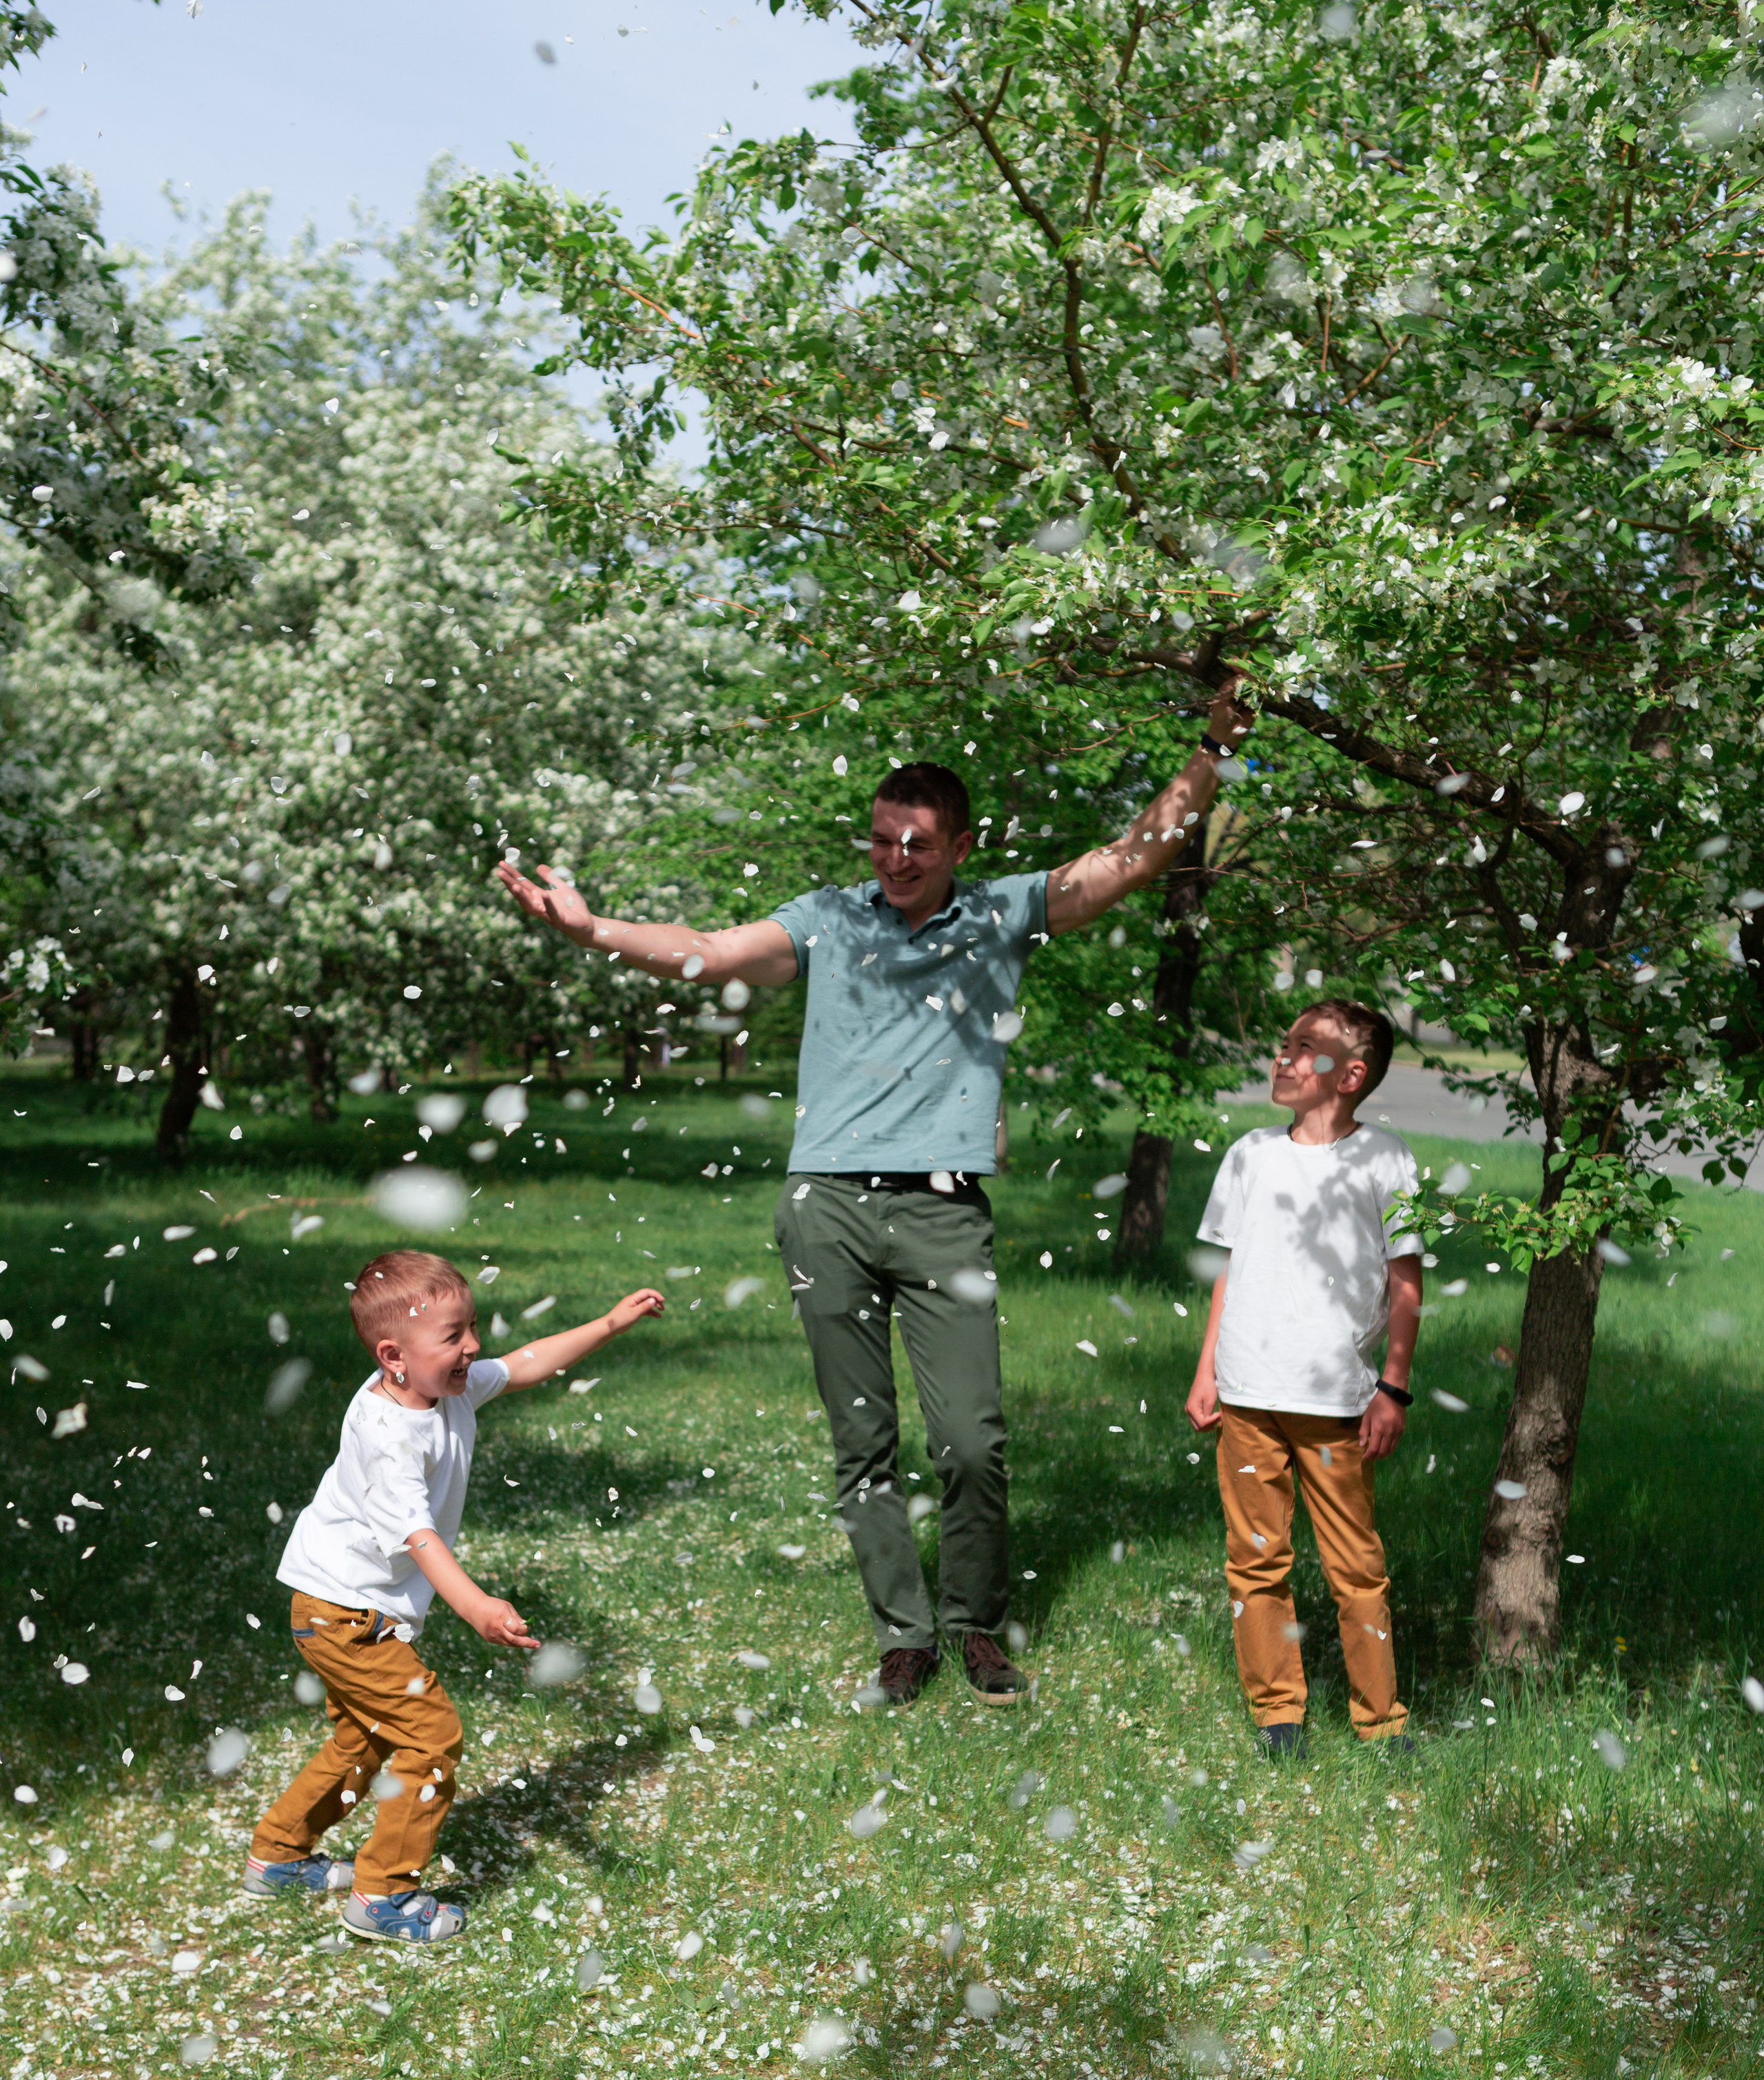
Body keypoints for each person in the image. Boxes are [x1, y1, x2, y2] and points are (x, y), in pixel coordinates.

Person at [496, 683, 1251, 1710]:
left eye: (919, 846)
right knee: (865, 1440)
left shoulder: (1000, 913)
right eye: (883, 841)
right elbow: (711, 951)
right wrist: (596, 935)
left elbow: (1131, 855)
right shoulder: (827, 922)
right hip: (828, 1209)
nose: (896, 861)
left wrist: (1212, 750)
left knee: (973, 1442)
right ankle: (904, 1633)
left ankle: (973, 1620)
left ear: (960, 845)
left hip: (944, 1211)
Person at [247, 1248, 664, 1941]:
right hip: (341, 1612)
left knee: (363, 1740)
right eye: (454, 1336)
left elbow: (528, 1361)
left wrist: (608, 1325)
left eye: (471, 1329)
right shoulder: (387, 1436)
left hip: (340, 1606)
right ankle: (382, 1896)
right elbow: (420, 1539)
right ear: (394, 1356)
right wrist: (475, 1606)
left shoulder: (445, 1386)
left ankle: (280, 1854)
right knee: (431, 1736)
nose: (472, 1347)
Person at [1184, 1000, 1422, 1757]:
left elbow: (1405, 1286)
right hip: (1249, 1396)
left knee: (1355, 1566)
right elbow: (1231, 1271)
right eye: (1283, 1043)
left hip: (1334, 1405)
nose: (1282, 1058)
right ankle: (1276, 1714)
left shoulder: (1384, 1159)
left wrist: (1392, 1386)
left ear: (1351, 1075)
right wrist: (1207, 1370)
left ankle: (1380, 1720)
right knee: (1255, 1559)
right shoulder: (1250, 1154)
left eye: (1305, 1048)